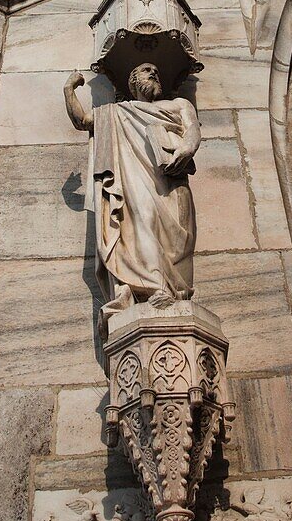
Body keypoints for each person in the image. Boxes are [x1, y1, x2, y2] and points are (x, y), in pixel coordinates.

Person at [63, 62, 201, 329]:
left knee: (179, 239)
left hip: (172, 178)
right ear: (133, 81)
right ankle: (155, 288)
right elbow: (83, 121)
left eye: (157, 71)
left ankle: (178, 290)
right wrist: (69, 89)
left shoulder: (179, 105)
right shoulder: (118, 112)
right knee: (142, 221)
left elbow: (193, 129)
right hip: (134, 175)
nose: (155, 74)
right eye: (148, 71)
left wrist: (186, 148)